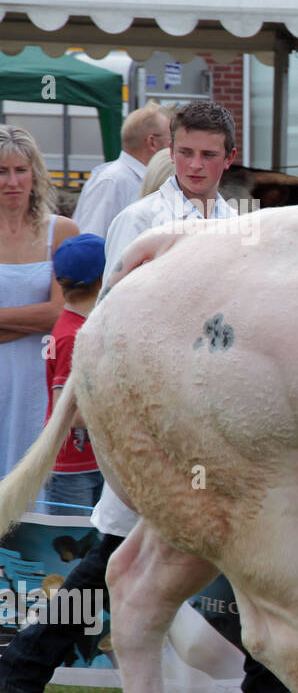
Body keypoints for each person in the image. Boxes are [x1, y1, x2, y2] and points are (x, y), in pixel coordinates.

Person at [0, 102, 298, 693]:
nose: (195, 166)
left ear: (228, 159)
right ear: (166, 152)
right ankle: (17, 677)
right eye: (184, 153)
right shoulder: (139, 219)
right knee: (117, 550)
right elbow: (115, 317)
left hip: (222, 416)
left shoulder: (240, 226)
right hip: (155, 414)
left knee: (234, 545)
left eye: (208, 155)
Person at [0, 125, 78, 480]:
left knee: (35, 483)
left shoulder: (61, 231)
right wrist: (34, 319)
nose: (12, 181)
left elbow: (61, 312)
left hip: (43, 375)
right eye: (2, 171)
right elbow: (46, 313)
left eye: (20, 170)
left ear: (35, 174)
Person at [40, 233, 107, 511]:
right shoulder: (72, 337)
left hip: (93, 461)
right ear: (104, 280)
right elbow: (65, 411)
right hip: (71, 469)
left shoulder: (81, 327)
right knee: (72, 548)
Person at [73, 104, 171, 237]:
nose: (173, 147)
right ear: (152, 142)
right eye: (171, 140)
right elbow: (90, 240)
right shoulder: (112, 180)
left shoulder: (125, 178)